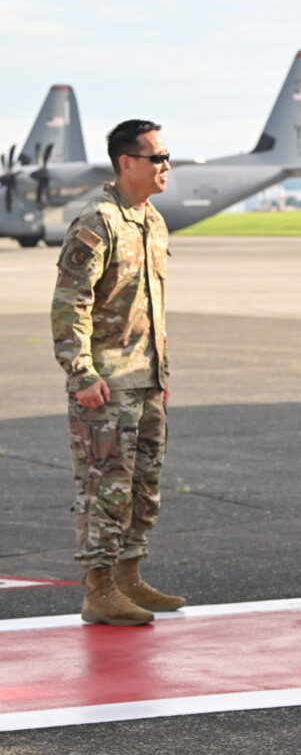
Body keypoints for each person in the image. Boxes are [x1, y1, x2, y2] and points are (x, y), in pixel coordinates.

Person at [51, 119, 183, 626]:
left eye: (167, 156)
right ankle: (99, 590)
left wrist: (161, 373)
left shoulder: (150, 220)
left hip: (145, 380)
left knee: (143, 488)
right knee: (105, 488)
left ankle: (129, 576)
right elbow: (70, 304)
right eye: (157, 158)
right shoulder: (97, 221)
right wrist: (80, 373)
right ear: (127, 163)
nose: (166, 166)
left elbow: (152, 306)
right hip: (105, 385)